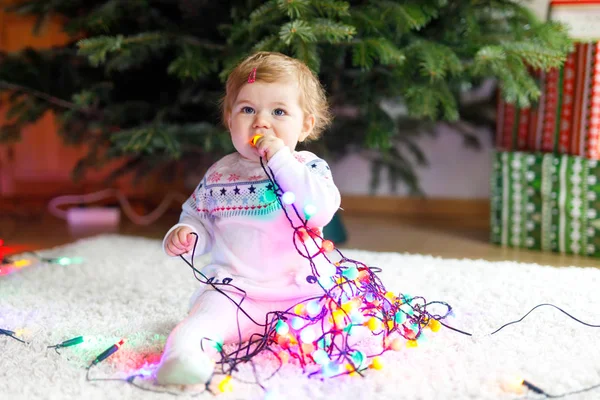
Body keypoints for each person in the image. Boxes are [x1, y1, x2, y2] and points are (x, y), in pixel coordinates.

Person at [155, 51, 341, 386]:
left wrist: (281, 159)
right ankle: (183, 358)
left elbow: (320, 208)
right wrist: (187, 231)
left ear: (306, 124)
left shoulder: (307, 167)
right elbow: (197, 214)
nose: (261, 122)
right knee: (200, 323)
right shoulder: (221, 174)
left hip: (297, 293)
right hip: (234, 292)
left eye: (279, 111)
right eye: (247, 109)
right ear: (229, 119)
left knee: (329, 329)